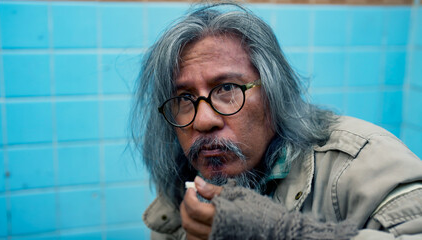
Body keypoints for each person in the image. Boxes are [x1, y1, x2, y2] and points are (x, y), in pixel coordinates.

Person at [131, 2, 422, 239]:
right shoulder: (182, 189)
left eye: (227, 89)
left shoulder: (361, 162)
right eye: (185, 98)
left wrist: (280, 233)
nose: (204, 120)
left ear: (274, 94)